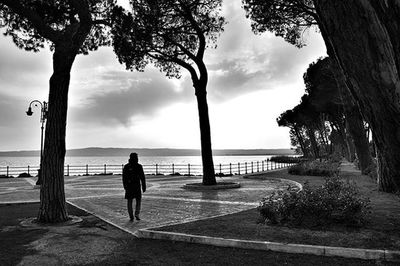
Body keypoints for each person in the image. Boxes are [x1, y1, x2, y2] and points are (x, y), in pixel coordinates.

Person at [122, 152, 146, 221]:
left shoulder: (129, 166)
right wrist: (144, 186)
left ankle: (133, 215)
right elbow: (142, 177)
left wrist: (125, 186)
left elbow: (142, 177)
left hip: (132, 186)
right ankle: (135, 215)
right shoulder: (135, 166)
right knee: (135, 201)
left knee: (132, 201)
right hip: (133, 186)